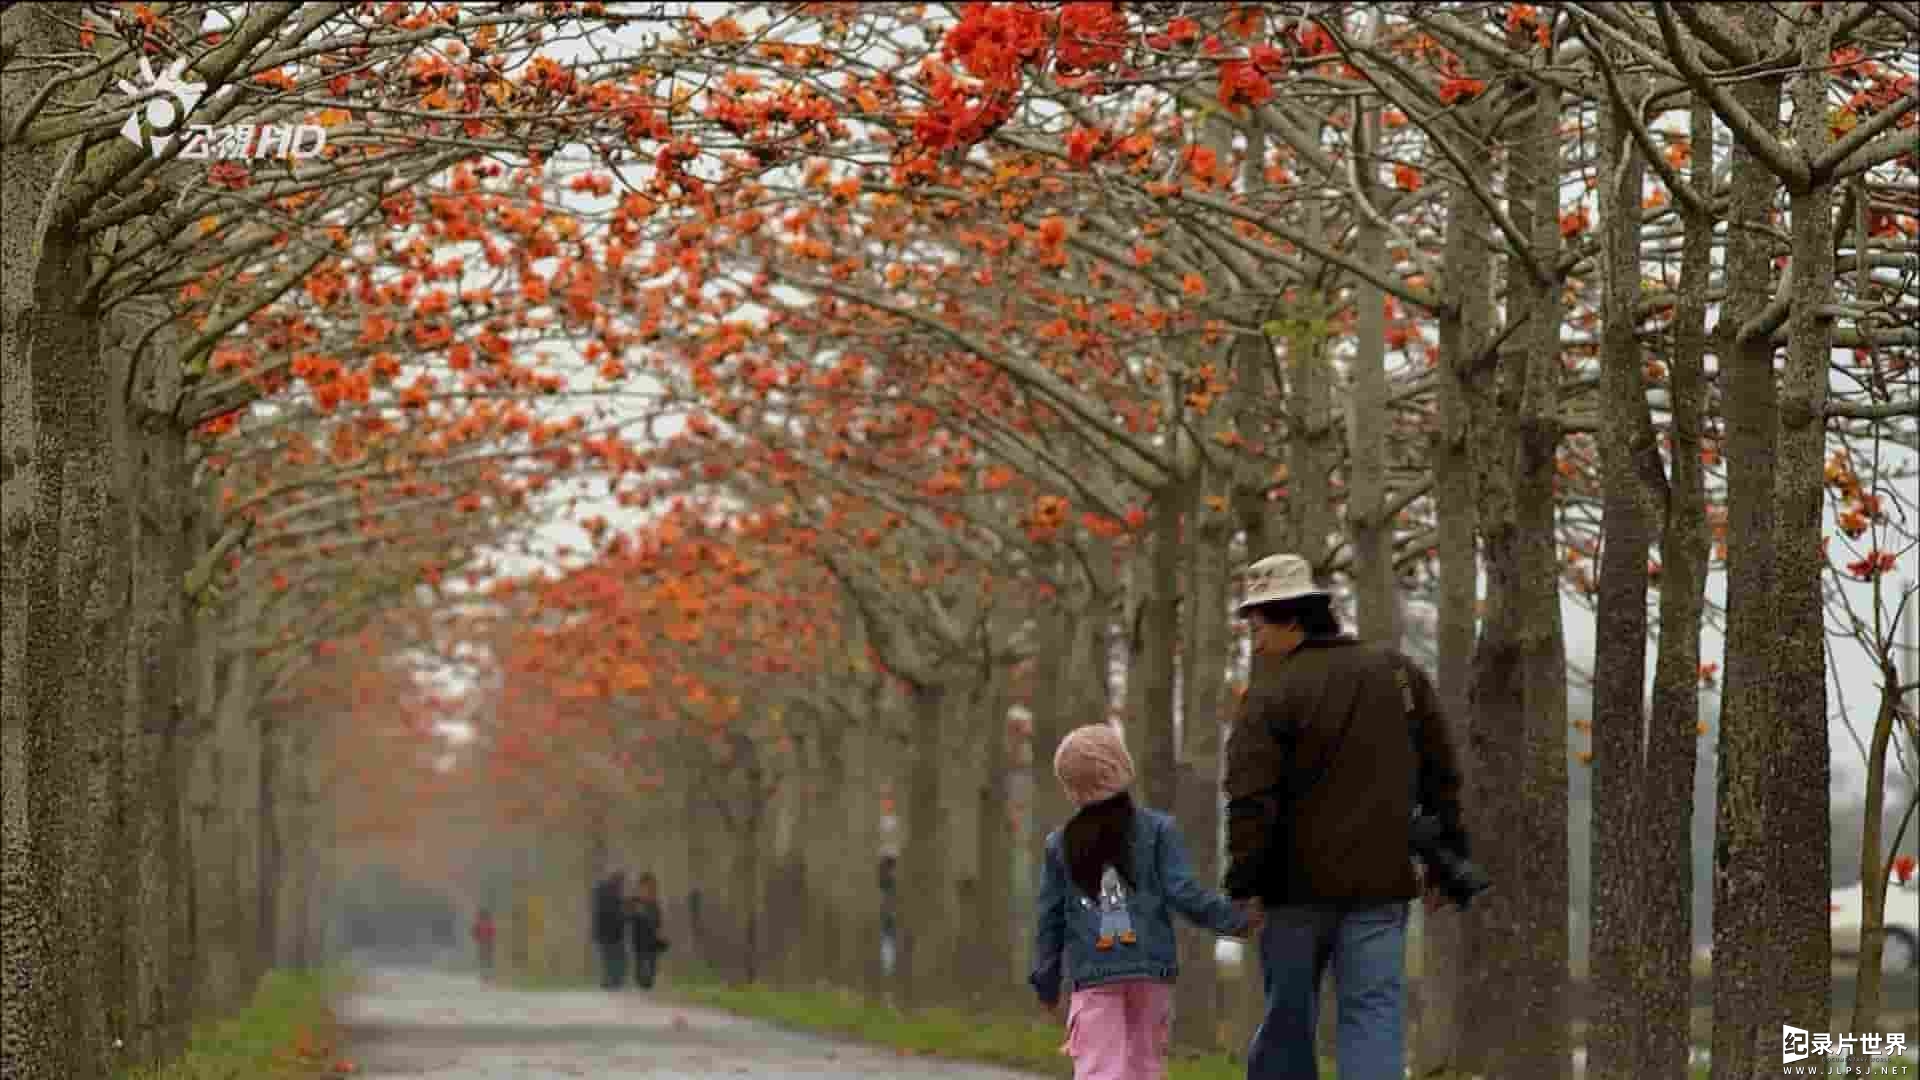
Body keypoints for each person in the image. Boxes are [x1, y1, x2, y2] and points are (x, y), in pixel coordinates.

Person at [1221, 553, 1470, 1080]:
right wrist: (1449, 860)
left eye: (1256, 622)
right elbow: (1442, 774)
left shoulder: (1270, 693)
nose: (1253, 636)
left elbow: (1251, 799)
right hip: (1381, 887)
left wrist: (1244, 883)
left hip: (1293, 894)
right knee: (1374, 1017)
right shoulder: (1398, 673)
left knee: (1289, 1020)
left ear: (1290, 617)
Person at [1031, 722, 1260, 1080]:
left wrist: (1046, 982)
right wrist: (1236, 919)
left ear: (1072, 789)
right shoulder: (1158, 831)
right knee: (1144, 1069)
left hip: (1093, 974)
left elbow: (1050, 920)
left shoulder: (1059, 845)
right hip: (1150, 969)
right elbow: (1183, 893)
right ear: (1123, 768)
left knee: (1097, 1069)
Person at [626, 872, 669, 989]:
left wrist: (660, 933)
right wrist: (635, 913)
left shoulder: (655, 904)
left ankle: (649, 980)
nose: (648, 890)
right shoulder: (634, 901)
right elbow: (627, 917)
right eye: (645, 887)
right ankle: (641, 979)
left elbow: (658, 921)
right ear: (640, 887)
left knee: (652, 961)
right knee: (639, 962)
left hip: (652, 938)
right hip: (638, 939)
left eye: (650, 887)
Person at [591, 870, 629, 990]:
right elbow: (617, 913)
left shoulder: (601, 890)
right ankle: (614, 980)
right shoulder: (613, 893)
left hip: (603, 932)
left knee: (608, 958)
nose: (622, 885)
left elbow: (598, 912)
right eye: (621, 882)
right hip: (612, 933)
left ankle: (610, 980)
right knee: (616, 957)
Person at [472, 907, 496, 979]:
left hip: (483, 943)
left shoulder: (479, 923)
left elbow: (474, 932)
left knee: (483, 959)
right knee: (488, 959)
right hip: (488, 943)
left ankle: (484, 974)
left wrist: (477, 939)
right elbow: (492, 933)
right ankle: (487, 974)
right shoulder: (489, 923)